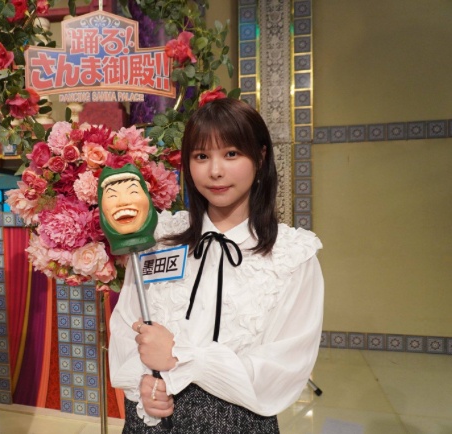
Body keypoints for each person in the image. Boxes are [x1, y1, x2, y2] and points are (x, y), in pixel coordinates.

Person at [108, 97, 324, 434]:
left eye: (231, 154)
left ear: (260, 157)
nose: (215, 171)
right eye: (201, 156)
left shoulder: (292, 256)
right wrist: (143, 384)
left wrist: (182, 357)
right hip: (151, 420)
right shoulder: (160, 238)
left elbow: (285, 366)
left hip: (240, 423)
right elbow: (126, 326)